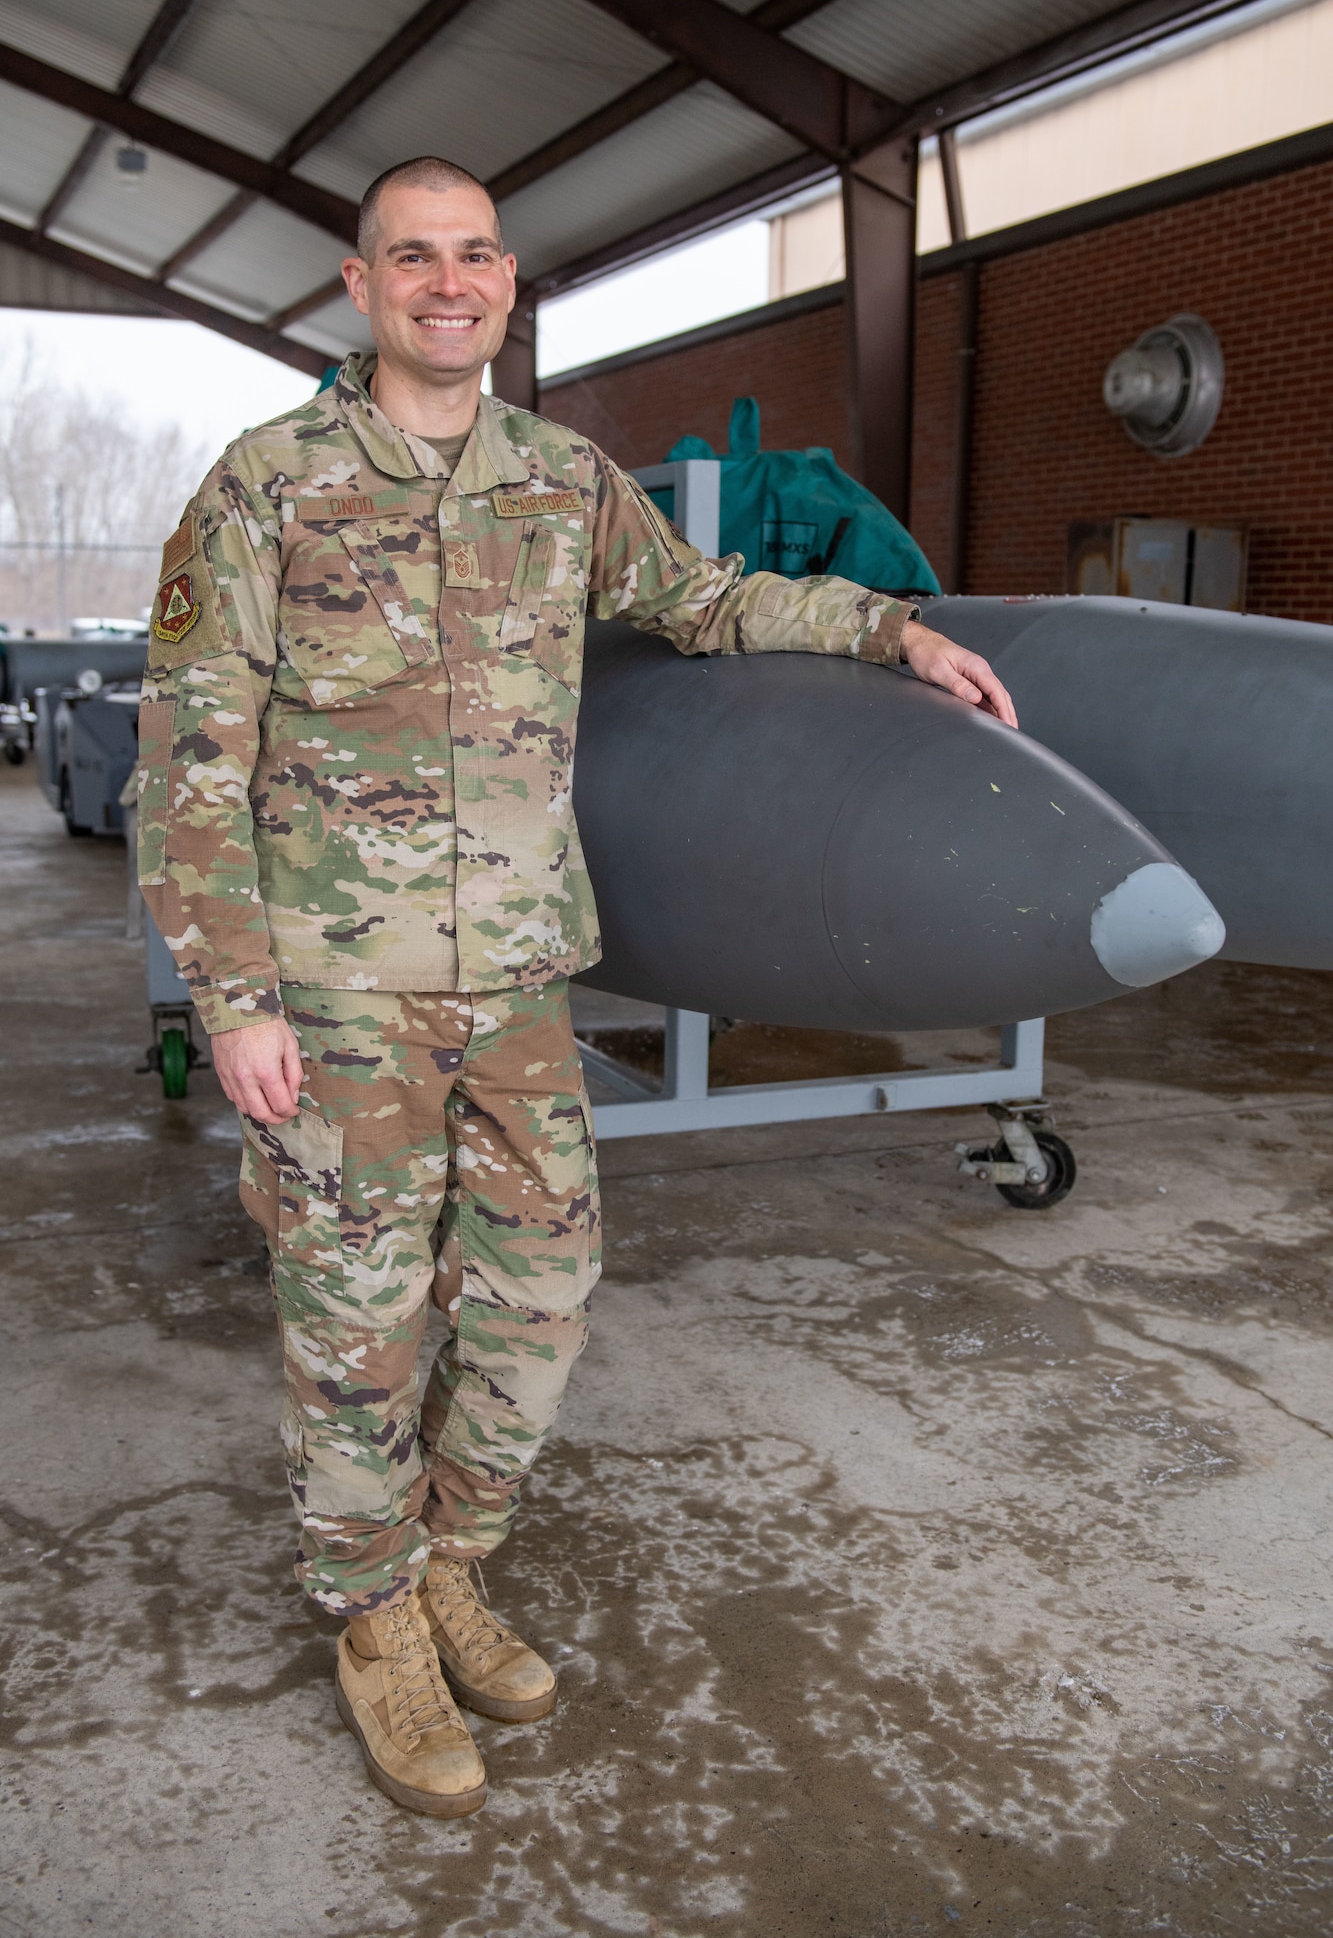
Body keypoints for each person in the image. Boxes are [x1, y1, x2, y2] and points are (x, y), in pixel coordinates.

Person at [136, 155, 1016, 1819]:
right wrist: (232, 996)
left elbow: (700, 600)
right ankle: (374, 1619)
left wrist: (887, 633)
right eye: (414, 258)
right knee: (356, 1328)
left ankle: (454, 1560)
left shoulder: (561, 478)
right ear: (360, 285)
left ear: (508, 283)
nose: (445, 284)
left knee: (540, 1304)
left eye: (473, 257)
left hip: (522, 981)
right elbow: (195, 746)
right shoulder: (268, 485)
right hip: (336, 997)